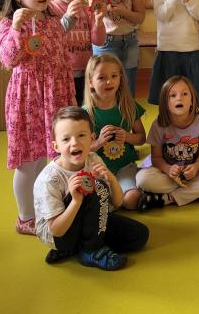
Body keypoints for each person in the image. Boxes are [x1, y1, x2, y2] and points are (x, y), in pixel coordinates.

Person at [0, 0, 75, 235]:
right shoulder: (8, 24)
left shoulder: (52, 19)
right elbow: (8, 59)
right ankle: (25, 218)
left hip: (55, 94)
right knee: (28, 161)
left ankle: (44, 210)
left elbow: (60, 55)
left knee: (48, 158)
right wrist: (17, 28)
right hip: (28, 98)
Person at [33, 107, 149, 270]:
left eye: (81, 135)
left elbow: (118, 202)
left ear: (92, 139)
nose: (75, 143)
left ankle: (78, 246)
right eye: (66, 139)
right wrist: (76, 201)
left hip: (89, 221)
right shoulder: (50, 179)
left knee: (139, 235)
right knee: (95, 187)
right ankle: (91, 250)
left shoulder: (93, 159)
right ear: (56, 146)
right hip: (59, 235)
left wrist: (111, 178)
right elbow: (56, 230)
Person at [137, 76, 199, 207]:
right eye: (173, 95)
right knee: (142, 179)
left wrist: (196, 167)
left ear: (192, 100)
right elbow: (156, 158)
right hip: (167, 175)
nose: (179, 98)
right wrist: (168, 169)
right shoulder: (159, 124)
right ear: (165, 103)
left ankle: (168, 198)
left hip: (194, 173)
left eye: (184, 94)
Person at [82, 54, 146, 210]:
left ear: (120, 78)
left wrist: (127, 136)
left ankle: (120, 198)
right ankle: (114, 201)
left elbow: (141, 138)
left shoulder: (128, 106)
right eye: (102, 78)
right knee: (93, 203)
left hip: (124, 167)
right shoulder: (86, 113)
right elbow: (81, 150)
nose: (109, 81)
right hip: (98, 170)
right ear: (91, 82)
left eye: (114, 76)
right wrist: (99, 142)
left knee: (131, 200)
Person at [85, 0, 146, 97]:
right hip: (106, 42)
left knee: (128, 88)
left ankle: (127, 113)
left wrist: (124, 12)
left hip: (130, 41)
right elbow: (94, 11)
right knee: (104, 89)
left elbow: (140, 18)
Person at [49, 0, 105, 105]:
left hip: (86, 72)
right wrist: (67, 16)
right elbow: (52, 39)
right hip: (62, 74)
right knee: (67, 112)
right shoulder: (50, 10)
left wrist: (99, 22)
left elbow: (98, 41)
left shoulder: (85, 10)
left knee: (85, 110)